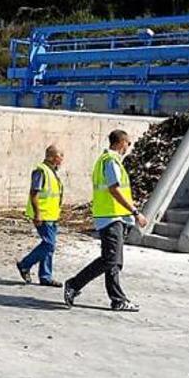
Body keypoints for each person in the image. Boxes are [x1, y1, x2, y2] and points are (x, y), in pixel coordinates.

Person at [64, 130, 148, 312]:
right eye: (129, 144)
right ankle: (74, 284)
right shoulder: (111, 161)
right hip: (111, 217)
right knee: (110, 260)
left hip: (112, 217)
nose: (128, 148)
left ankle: (118, 300)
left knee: (114, 262)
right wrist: (135, 212)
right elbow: (114, 190)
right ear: (121, 142)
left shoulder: (106, 160)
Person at [16, 145, 65, 287]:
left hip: (51, 215)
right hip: (42, 215)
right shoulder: (41, 171)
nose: (62, 160)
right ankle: (25, 264)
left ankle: (45, 276)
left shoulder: (52, 172)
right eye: (60, 157)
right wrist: (37, 214)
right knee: (49, 244)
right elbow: (34, 193)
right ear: (53, 157)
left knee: (49, 245)